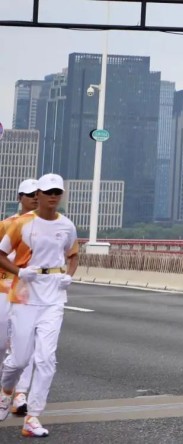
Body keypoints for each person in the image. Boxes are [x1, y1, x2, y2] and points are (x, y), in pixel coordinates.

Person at [0, 174, 79, 438]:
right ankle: (6, 391)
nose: (52, 196)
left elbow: (73, 254)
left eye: (57, 192)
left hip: (54, 296)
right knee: (19, 359)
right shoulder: (20, 223)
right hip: (25, 294)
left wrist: (69, 275)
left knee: (46, 359)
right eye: (48, 192)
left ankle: (32, 417)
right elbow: (1, 254)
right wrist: (20, 272)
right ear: (39, 195)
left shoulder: (67, 225)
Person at [0, 179, 40, 418]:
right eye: (29, 194)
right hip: (4, 290)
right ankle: (5, 389)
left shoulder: (48, 227)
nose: (35, 198)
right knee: (2, 343)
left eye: (38, 194)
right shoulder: (6, 225)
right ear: (19, 198)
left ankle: (20, 394)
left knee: (25, 344)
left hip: (28, 293)